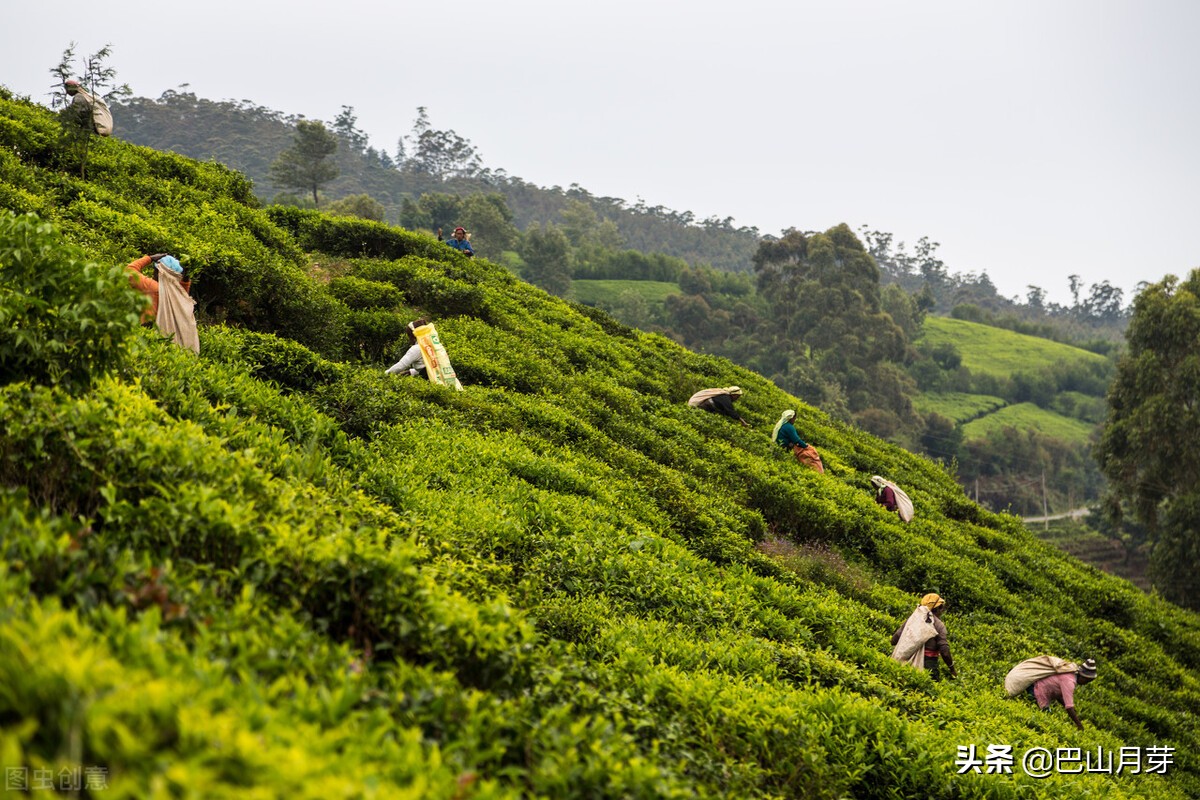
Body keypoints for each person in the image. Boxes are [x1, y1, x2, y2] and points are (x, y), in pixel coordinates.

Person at [126, 253, 199, 353]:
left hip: (149, 331)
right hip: (171, 337)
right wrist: (185, 278)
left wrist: (149, 258)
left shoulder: (152, 287)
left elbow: (128, 271)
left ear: (160, 272)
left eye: (155, 270)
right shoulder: (178, 294)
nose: (153, 273)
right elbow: (183, 290)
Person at [891, 593, 958, 680]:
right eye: (941, 607)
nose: (942, 610)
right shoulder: (938, 625)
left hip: (906, 661)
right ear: (937, 608)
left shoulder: (912, 620)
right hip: (928, 664)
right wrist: (952, 668)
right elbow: (944, 651)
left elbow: (894, 640)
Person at [1027, 658, 1097, 730]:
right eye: (1087, 681)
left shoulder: (1070, 674)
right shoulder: (1069, 681)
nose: (1085, 683)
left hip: (1036, 688)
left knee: (1048, 717)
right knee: (1047, 722)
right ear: (1082, 676)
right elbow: (1069, 707)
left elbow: (1060, 696)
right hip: (1036, 691)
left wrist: (1068, 707)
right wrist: (1080, 726)